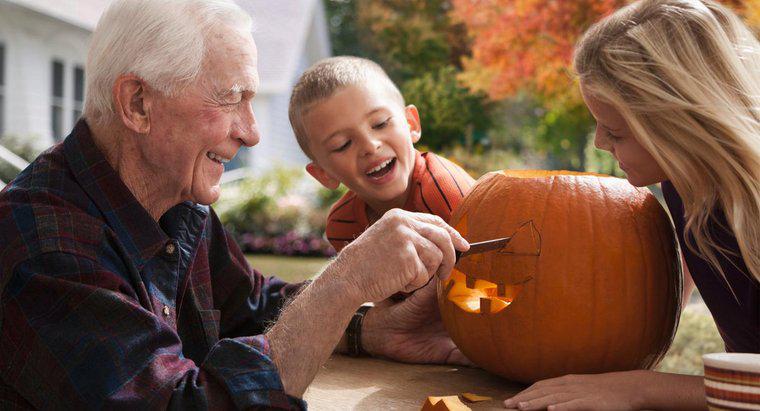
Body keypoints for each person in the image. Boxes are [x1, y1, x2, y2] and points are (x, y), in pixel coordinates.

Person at [0, 0, 471, 409]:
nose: (251, 132)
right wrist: (344, 283)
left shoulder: (179, 206)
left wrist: (366, 328)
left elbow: (252, 307)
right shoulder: (44, 249)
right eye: (231, 98)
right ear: (138, 104)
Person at [504, 0, 760, 409]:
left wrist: (641, 388)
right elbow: (686, 274)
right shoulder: (683, 186)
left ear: (677, 125)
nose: (599, 144)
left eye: (615, 132)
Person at [288, 56, 476, 253]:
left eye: (380, 124)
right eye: (342, 145)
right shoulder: (343, 226)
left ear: (411, 123)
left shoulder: (450, 196)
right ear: (324, 174)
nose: (370, 146)